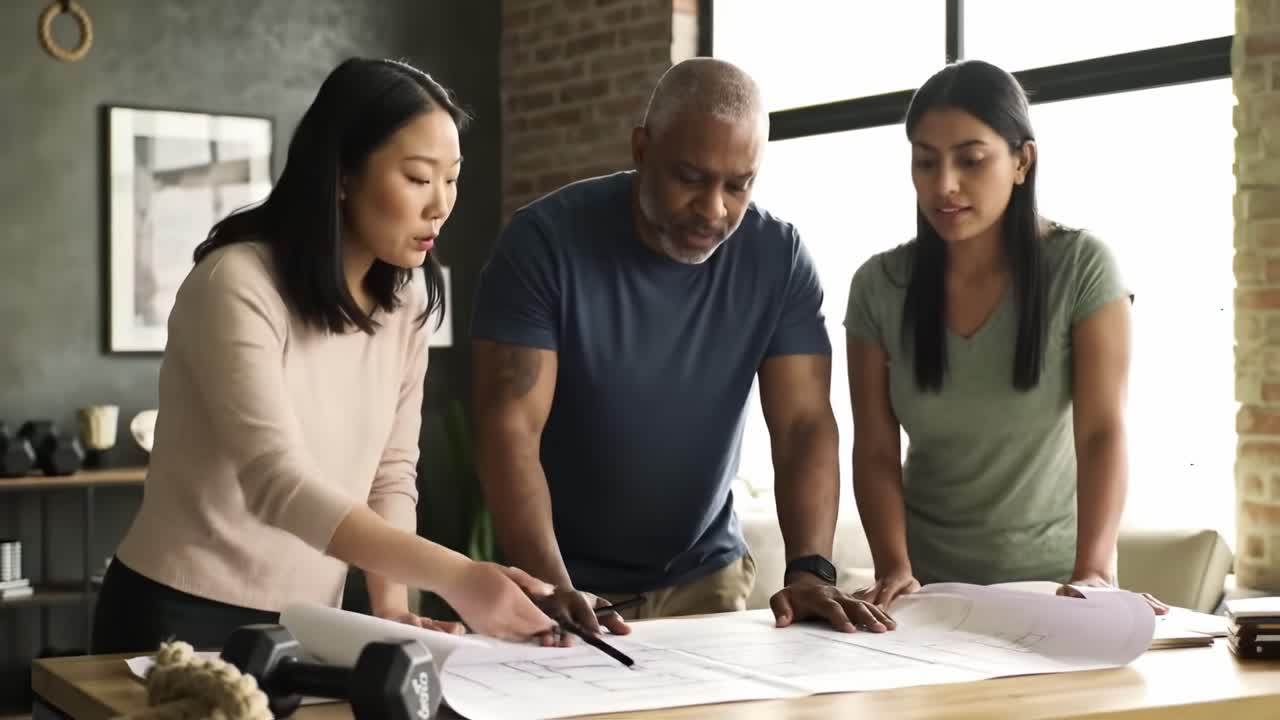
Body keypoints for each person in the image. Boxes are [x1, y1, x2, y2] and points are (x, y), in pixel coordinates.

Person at [92, 58, 558, 654]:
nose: (441, 204)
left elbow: (391, 471)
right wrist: (459, 575)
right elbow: (276, 482)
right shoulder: (236, 282)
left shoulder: (406, 298)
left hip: (312, 623)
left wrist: (391, 605)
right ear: (342, 174)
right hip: (176, 617)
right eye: (418, 178)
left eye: (452, 178)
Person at [470, 57, 895, 643]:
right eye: (692, 178)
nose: (715, 208)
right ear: (642, 150)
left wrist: (810, 570)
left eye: (738, 185)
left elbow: (802, 425)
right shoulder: (542, 245)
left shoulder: (778, 258)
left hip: (707, 580)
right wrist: (550, 584)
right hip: (563, 582)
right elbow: (510, 428)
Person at [844, 59, 1167, 613]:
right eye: (925, 161)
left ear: (1022, 161)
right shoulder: (879, 285)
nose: (944, 184)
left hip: (1054, 592)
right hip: (927, 595)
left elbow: (1101, 432)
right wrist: (894, 566)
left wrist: (1094, 571)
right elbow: (875, 448)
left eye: (971, 160)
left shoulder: (1083, 267)